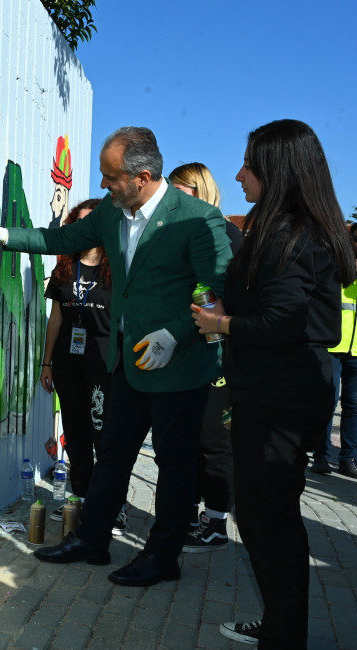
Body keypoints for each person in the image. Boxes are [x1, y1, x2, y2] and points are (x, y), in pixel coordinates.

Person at [0, 126, 232, 588]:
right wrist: (3, 234)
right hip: (129, 363)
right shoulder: (113, 212)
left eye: (111, 177)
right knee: (112, 455)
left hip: (179, 368)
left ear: (143, 176)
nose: (104, 185)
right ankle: (92, 540)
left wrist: (175, 335)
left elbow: (216, 289)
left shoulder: (196, 219)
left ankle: (162, 557)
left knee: (174, 468)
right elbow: (61, 240)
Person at [191, 119, 356, 646]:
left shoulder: (291, 232)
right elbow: (272, 304)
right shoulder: (286, 226)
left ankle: (284, 634)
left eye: (248, 163)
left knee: (269, 522)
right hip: (277, 391)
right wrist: (227, 305)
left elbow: (283, 320)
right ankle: (282, 623)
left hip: (279, 396)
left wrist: (221, 324)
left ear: (276, 169)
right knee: (267, 517)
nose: (238, 173)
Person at [168, 162, 243, 553]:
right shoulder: (184, 231)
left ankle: (216, 522)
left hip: (220, 354)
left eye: (180, 190)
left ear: (200, 191)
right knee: (190, 439)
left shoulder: (226, 233)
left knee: (215, 440)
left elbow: (237, 295)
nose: (172, 198)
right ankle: (194, 514)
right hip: (188, 351)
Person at [39, 198, 127, 534]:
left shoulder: (117, 266)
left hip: (104, 360)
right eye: (81, 222)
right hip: (67, 361)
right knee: (75, 432)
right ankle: (82, 496)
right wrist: (47, 362)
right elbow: (56, 317)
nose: (87, 228)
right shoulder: (64, 267)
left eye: (94, 222)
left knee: (104, 432)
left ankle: (112, 505)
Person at [313, 222, 357, 478]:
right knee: (328, 401)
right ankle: (321, 454)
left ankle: (348, 457)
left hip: (356, 348)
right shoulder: (338, 263)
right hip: (334, 343)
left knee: (353, 405)